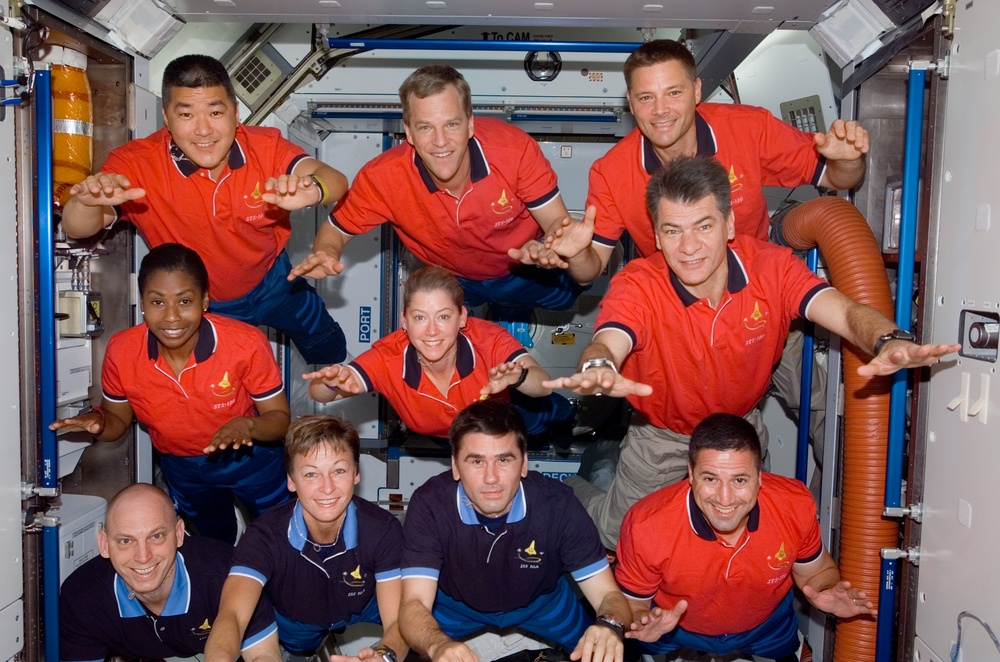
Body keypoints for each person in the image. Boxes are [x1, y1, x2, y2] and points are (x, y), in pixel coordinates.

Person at [544, 156, 960, 548]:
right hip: (663, 434)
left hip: (738, 428)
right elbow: (610, 338)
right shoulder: (638, 284)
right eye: (672, 231)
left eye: (703, 226)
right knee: (618, 536)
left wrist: (887, 339)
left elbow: (847, 313)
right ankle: (572, 490)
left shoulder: (772, 268)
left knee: (746, 532)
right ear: (656, 236)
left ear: (728, 225)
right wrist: (599, 364)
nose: (688, 247)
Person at [60, 54, 348, 365]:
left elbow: (336, 180)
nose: (203, 130)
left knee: (329, 347)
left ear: (235, 113)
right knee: (231, 379)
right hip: (208, 304)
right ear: (166, 117)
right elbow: (77, 228)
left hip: (276, 281)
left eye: (215, 112)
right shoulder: (135, 163)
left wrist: (313, 188)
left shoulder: (266, 147)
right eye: (186, 114)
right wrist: (86, 202)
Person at [562, 38, 871, 283]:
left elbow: (837, 178)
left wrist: (847, 161)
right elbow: (590, 269)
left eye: (673, 93)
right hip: (674, 299)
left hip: (757, 282)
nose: (660, 110)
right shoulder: (611, 172)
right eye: (646, 98)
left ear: (696, 91)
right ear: (630, 103)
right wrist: (577, 255)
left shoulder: (749, 128)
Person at [290, 64, 592, 311]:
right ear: (409, 133)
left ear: (470, 124)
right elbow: (336, 228)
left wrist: (548, 246)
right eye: (425, 127)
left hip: (526, 269)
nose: (440, 141)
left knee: (565, 302)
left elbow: (556, 222)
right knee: (461, 319)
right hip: (456, 279)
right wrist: (325, 252)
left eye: (451, 124)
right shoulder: (382, 178)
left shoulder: (513, 150)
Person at [50, 244, 291, 544]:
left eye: (184, 301)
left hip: (251, 458)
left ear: (205, 300)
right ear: (142, 302)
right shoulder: (122, 350)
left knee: (280, 533)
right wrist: (98, 424)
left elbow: (280, 420)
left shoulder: (245, 343)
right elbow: (117, 421)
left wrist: (249, 426)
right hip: (183, 468)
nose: (172, 317)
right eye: (157, 302)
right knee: (216, 540)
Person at [616, 413, 876, 660]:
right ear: (691, 474)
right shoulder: (646, 524)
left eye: (739, 480)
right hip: (672, 625)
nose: (725, 498)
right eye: (711, 479)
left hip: (766, 624)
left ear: (760, 477)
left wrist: (825, 589)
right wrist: (640, 621)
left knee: (786, 652)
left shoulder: (794, 506)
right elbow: (633, 602)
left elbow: (816, 572)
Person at [398, 400, 631, 662]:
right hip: (456, 608)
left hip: (543, 604)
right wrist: (437, 645)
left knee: (609, 650)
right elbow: (414, 603)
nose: (491, 477)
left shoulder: (558, 505)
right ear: (455, 466)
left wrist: (610, 625)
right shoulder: (430, 505)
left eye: (503, 459)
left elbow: (608, 595)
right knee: (420, 648)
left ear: (524, 464)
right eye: (476, 461)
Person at [205, 415, 407, 661]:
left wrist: (385, 656)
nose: (327, 487)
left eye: (339, 471)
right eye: (311, 474)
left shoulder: (383, 529)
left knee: (419, 624)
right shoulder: (264, 536)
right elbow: (232, 615)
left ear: (356, 473)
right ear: (291, 481)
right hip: (298, 619)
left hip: (365, 604)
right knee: (301, 650)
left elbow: (398, 620)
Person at [304, 265, 568, 437]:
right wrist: (331, 381)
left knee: (553, 418)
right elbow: (318, 393)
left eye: (443, 317)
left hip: (511, 413)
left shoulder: (488, 340)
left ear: (462, 317)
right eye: (420, 318)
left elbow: (542, 385)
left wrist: (519, 377)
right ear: (404, 320)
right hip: (454, 439)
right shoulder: (387, 358)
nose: (431, 331)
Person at [59, 484, 280, 662]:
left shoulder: (229, 573)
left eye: (156, 536)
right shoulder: (81, 597)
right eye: (126, 541)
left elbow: (262, 655)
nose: (143, 556)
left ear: (179, 534)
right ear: (104, 545)